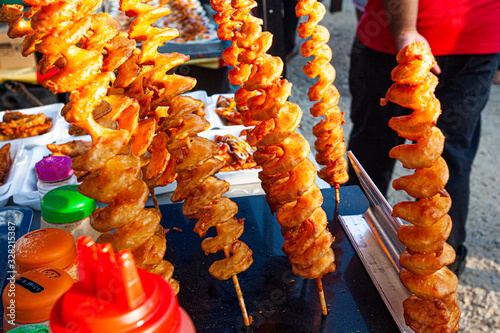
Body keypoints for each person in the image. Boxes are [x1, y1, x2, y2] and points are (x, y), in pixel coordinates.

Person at [347, 0, 500, 277]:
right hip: (477, 39)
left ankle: (431, 274)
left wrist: (404, 28)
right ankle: (441, 267)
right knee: (449, 154)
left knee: (374, 148)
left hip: (400, 35)